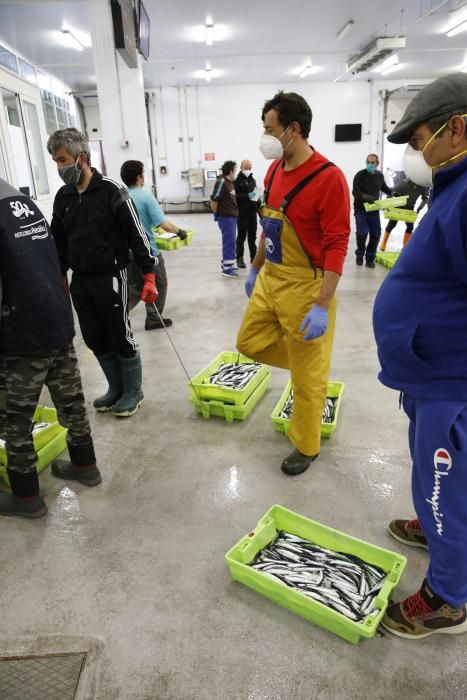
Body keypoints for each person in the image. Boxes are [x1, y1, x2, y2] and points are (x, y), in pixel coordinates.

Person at [373, 73, 467, 639]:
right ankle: (438, 533)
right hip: (430, 372)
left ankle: (449, 598)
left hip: (452, 381)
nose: (415, 152)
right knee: (436, 479)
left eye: (419, 139)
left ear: (458, 128)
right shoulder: (452, 185)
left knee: (445, 485)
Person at [237, 91, 350, 475]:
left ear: (294, 129)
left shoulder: (329, 178)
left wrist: (321, 305)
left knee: (306, 381)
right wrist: (255, 268)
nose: (265, 135)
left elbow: (337, 245)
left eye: (270, 128)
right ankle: (311, 366)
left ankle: (307, 444)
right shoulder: (273, 171)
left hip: (306, 287)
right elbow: (270, 226)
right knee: (247, 342)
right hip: (272, 276)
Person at [0, 178, 101, 519]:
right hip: (57, 322)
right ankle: (85, 466)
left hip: (21, 337)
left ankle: (26, 498)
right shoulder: (22, 202)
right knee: (71, 401)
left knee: (15, 421)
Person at [47, 129, 157, 418]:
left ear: (82, 158)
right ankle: (115, 388)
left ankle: (134, 392)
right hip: (80, 279)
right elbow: (57, 240)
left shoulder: (111, 190)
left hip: (112, 276)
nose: (60, 167)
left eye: (63, 160)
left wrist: (149, 274)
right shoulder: (64, 196)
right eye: (55, 161)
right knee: (94, 336)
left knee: (119, 334)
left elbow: (137, 234)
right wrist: (58, 276)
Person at [120, 160, 187, 330]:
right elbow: (162, 223)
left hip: (128, 252)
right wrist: (180, 231)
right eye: (144, 173)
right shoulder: (145, 197)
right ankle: (154, 318)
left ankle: (118, 314)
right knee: (160, 284)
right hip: (148, 251)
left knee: (135, 286)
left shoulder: (120, 196)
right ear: (139, 177)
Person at [352, 154, 392, 267]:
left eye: (372, 162)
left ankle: (370, 258)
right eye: (368, 162)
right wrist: (366, 197)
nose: (370, 164)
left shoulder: (379, 176)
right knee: (362, 233)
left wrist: (392, 193)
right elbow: (355, 192)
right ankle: (359, 255)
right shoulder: (360, 175)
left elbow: (383, 187)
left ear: (377, 164)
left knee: (375, 234)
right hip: (361, 209)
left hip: (374, 209)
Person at [379, 178, 430, 250]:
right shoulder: (404, 184)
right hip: (398, 206)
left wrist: (419, 208)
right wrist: (388, 205)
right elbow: (390, 193)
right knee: (392, 224)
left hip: (410, 207)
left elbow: (425, 198)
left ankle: (405, 247)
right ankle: (383, 243)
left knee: (410, 227)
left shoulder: (423, 187)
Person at [210, 160, 239, 277]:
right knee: (229, 242)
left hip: (232, 216)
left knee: (231, 242)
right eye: (235, 169)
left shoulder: (229, 182)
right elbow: (214, 199)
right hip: (226, 217)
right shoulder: (221, 182)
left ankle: (229, 264)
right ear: (231, 171)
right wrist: (216, 214)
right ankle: (227, 269)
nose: (236, 172)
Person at [234, 159, 258, 268]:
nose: (247, 169)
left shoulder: (253, 179)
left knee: (252, 236)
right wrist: (247, 196)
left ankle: (254, 257)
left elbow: (256, 194)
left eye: (249, 167)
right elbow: (235, 197)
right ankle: (239, 258)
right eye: (246, 167)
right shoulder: (237, 181)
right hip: (242, 212)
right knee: (241, 236)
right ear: (241, 167)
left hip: (252, 212)